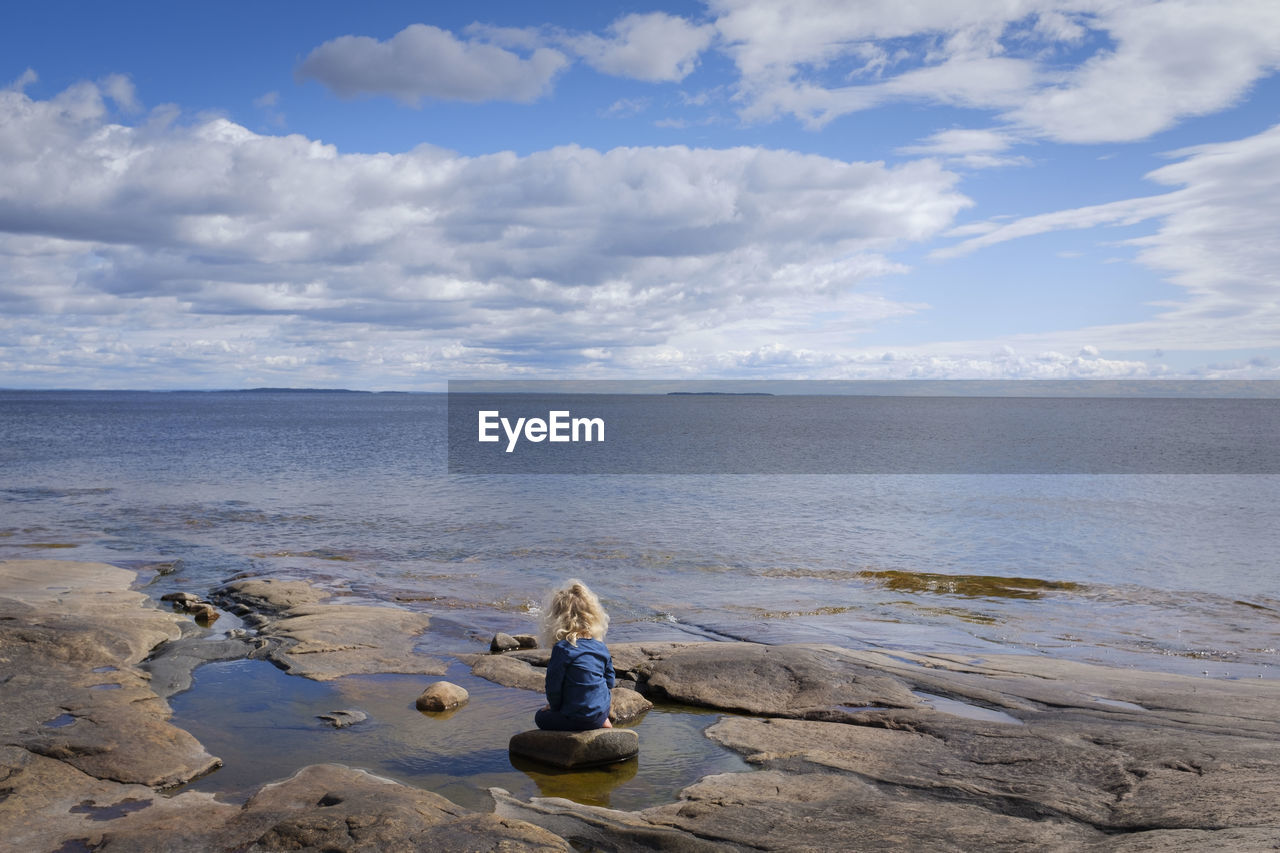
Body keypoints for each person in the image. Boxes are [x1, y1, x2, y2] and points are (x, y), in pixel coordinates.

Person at [535, 580, 615, 731]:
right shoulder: (601, 647)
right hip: (599, 713)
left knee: (540, 717)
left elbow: (553, 688)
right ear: (594, 616)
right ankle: (602, 720)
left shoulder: (562, 649)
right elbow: (610, 682)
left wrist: (554, 708)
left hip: (574, 716)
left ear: (556, 619)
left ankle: (579, 723)